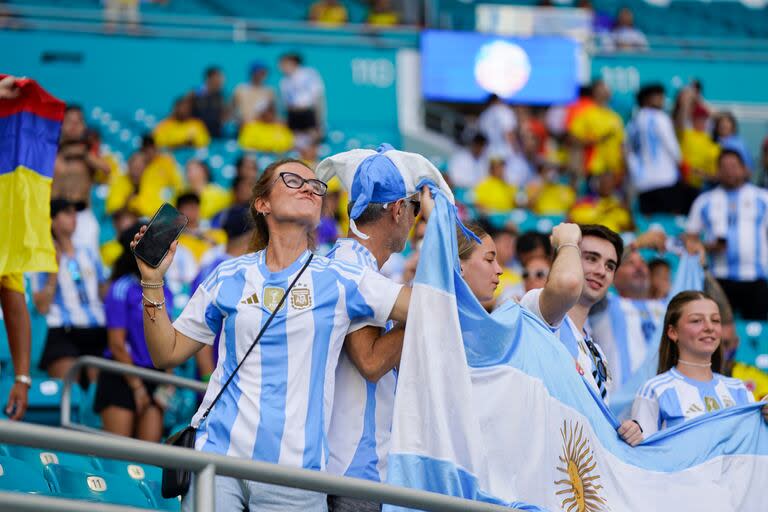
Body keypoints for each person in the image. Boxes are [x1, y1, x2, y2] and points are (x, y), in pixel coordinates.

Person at [133, 159, 415, 511]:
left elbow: (422, 307)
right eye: (294, 180)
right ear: (262, 204)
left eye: (316, 186)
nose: (309, 188)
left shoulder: (342, 277)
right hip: (218, 459)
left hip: (296, 474)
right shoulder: (229, 274)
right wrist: (152, 280)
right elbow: (166, 352)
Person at [316, 144, 440, 512]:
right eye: (416, 209)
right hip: (351, 472)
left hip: (359, 470)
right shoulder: (352, 268)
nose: (416, 219)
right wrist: (437, 240)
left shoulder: (358, 265)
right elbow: (371, 362)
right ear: (399, 209)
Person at [518, 223, 643, 445]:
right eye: (591, 258)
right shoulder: (537, 308)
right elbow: (567, 283)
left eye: (610, 265)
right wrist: (567, 241)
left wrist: (627, 430)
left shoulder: (598, 355)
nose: (601, 271)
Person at [631, 291, 768, 436]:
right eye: (696, 320)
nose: (709, 327)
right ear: (673, 332)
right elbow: (641, 455)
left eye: (715, 320)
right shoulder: (654, 391)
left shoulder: (740, 390)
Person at [686, 149, 768, 319]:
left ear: (744, 169)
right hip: (719, 279)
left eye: (734, 166)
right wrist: (709, 246)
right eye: (724, 167)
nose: (729, 171)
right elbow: (689, 240)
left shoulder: (763, 198)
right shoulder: (704, 201)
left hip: (756, 278)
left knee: (758, 335)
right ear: (717, 171)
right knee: (718, 333)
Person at [32, 199, 108, 381]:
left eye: (75, 212)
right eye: (67, 213)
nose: (73, 217)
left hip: (96, 329)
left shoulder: (89, 252)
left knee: (98, 392)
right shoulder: (42, 257)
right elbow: (41, 307)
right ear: (52, 220)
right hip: (63, 332)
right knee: (68, 391)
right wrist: (53, 270)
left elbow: (104, 292)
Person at [626, 84, 687, 215]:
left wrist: (635, 175)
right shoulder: (660, 117)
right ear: (646, 99)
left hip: (642, 182)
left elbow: (628, 152)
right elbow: (672, 146)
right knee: (668, 223)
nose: (662, 100)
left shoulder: (633, 122)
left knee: (648, 224)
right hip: (665, 179)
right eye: (658, 97)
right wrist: (681, 163)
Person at [279, 53, 326, 139]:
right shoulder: (284, 82)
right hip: (293, 115)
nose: (281, 67)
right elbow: (286, 104)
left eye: (284, 64)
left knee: (312, 140)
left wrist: (319, 121)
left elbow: (318, 97)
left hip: (308, 113)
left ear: (293, 62)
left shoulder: (309, 74)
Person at [568, 172, 632, 233]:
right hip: (593, 236)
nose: (607, 186)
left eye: (610, 182)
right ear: (598, 184)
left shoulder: (617, 204)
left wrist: (628, 211)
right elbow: (573, 219)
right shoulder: (588, 200)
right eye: (604, 182)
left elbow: (628, 226)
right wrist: (602, 212)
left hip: (613, 238)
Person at [192, 66, 227, 139]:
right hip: (199, 135)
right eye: (218, 77)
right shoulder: (195, 93)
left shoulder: (221, 95)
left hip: (216, 134)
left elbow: (224, 116)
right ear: (209, 78)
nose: (222, 80)